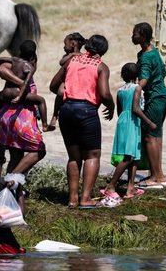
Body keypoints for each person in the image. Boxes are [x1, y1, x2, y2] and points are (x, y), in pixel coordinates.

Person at [49, 35, 115, 209]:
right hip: (86, 111)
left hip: (67, 109)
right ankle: (85, 199)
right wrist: (111, 105)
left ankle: (72, 199)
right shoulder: (101, 67)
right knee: (92, 155)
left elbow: (53, 85)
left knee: (74, 156)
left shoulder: (72, 61)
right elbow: (105, 92)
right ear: (103, 51)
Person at [101, 63, 156, 200]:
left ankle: (130, 188)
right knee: (128, 156)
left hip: (124, 121)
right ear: (137, 75)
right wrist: (149, 122)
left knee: (134, 155)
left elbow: (120, 111)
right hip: (132, 121)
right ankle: (111, 186)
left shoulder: (120, 90)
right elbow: (136, 109)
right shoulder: (137, 88)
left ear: (122, 75)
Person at [0, 40, 48, 175]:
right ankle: (12, 179)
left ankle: (12, 190)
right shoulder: (28, 68)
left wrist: (13, 58)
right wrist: (44, 124)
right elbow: (27, 88)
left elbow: (1, 61)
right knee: (39, 150)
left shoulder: (13, 64)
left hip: (5, 119)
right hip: (21, 122)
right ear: (33, 59)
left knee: (16, 156)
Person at [132, 22, 166, 189]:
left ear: (144, 36)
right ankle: (157, 173)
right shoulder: (151, 53)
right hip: (162, 95)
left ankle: (156, 177)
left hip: (155, 97)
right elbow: (163, 73)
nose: (132, 36)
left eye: (135, 34)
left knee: (150, 136)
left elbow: (144, 78)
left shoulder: (146, 57)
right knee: (156, 135)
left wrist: (135, 90)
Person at [48, 32, 85, 130]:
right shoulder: (68, 55)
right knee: (60, 92)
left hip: (77, 82)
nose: (64, 47)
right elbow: (61, 62)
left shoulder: (83, 56)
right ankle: (55, 115)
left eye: (65, 44)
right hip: (66, 81)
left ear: (72, 44)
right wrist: (72, 55)